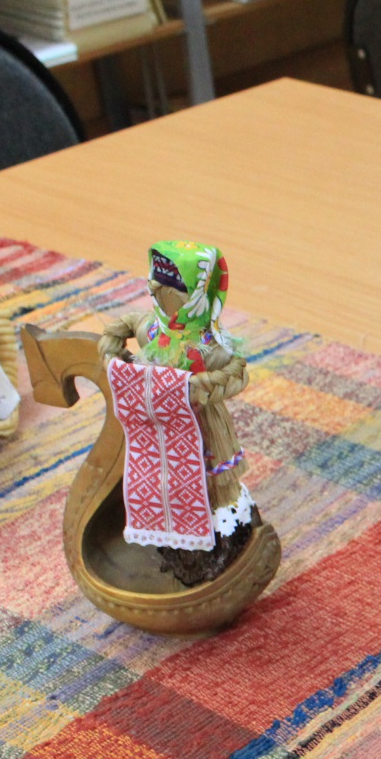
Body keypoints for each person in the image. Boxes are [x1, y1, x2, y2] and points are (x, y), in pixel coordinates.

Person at [98, 242, 258, 585]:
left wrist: (193, 388)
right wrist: (116, 360)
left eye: (172, 287)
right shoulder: (151, 330)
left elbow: (237, 372)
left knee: (214, 485)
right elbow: (123, 326)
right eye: (156, 285)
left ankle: (220, 538)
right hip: (159, 426)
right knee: (162, 477)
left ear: (197, 291)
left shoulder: (210, 346)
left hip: (205, 427)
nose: (160, 292)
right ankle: (173, 537)